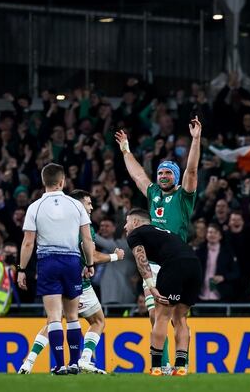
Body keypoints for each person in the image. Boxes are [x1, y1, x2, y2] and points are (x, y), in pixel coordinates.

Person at [115, 116, 201, 369]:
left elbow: (192, 170)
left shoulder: (184, 197)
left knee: (176, 317)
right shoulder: (153, 194)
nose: (163, 176)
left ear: (175, 177)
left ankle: (176, 365)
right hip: (153, 261)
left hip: (175, 260)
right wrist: (126, 150)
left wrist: (196, 140)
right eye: (161, 172)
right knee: (155, 314)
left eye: (168, 173)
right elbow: (138, 174)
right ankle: (163, 365)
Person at [18, 189, 125, 374]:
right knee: (97, 320)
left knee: (54, 321)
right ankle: (82, 359)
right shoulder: (83, 224)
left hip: (54, 274)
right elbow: (90, 253)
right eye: (88, 203)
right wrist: (115, 256)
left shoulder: (59, 221)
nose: (91, 207)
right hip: (76, 281)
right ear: (78, 203)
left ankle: (29, 361)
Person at [16, 163, 95, 375]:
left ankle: (60, 364)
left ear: (44, 182)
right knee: (72, 317)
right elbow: (87, 239)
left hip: (48, 262)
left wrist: (21, 269)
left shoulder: (35, 207)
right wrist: (89, 264)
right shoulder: (76, 205)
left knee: (53, 317)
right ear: (62, 182)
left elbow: (27, 243)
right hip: (71, 262)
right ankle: (75, 363)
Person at [124, 208, 202, 376]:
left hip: (174, 266)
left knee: (162, 317)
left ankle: (157, 367)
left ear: (136, 222)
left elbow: (141, 260)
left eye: (127, 222)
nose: (125, 226)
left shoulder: (135, 234)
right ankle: (181, 367)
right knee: (180, 318)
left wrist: (151, 285)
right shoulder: (163, 232)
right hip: (195, 265)